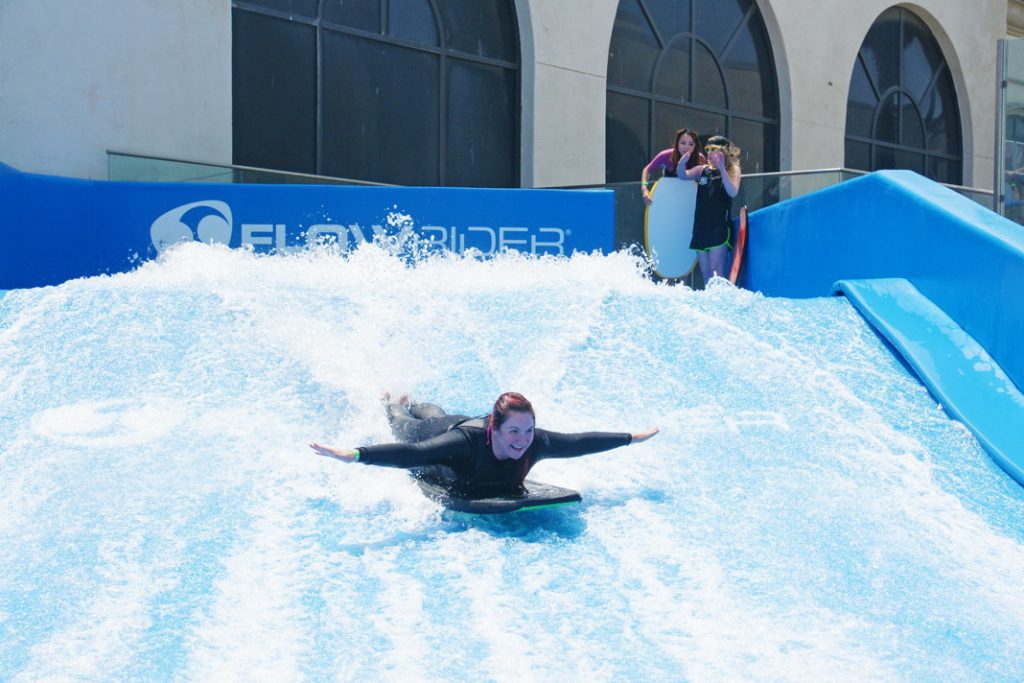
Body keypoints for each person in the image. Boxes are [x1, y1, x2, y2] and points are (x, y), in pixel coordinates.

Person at [310, 392, 660, 498]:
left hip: (457, 419)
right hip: (441, 434)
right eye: (514, 433)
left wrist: (630, 438)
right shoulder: (466, 443)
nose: (522, 441)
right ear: (495, 428)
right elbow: (412, 455)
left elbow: (578, 443)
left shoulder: (533, 442)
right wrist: (356, 455)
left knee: (435, 409)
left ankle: (413, 397)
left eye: (528, 431)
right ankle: (390, 400)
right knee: (407, 424)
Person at [681, 135, 742, 283]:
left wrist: (721, 169)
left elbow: (732, 191)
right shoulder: (703, 170)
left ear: (724, 151)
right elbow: (682, 175)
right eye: (707, 149)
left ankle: (722, 304)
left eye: (713, 149)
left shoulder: (733, 169)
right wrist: (681, 164)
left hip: (719, 227)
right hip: (701, 227)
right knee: (706, 272)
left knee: (716, 271)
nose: (709, 153)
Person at [641, 128, 705, 206]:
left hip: (689, 200)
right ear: (677, 143)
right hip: (669, 198)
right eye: (683, 143)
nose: (686, 147)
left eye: (691, 144)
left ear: (695, 146)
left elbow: (705, 180)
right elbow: (647, 170)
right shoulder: (666, 155)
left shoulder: (700, 159)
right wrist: (644, 189)